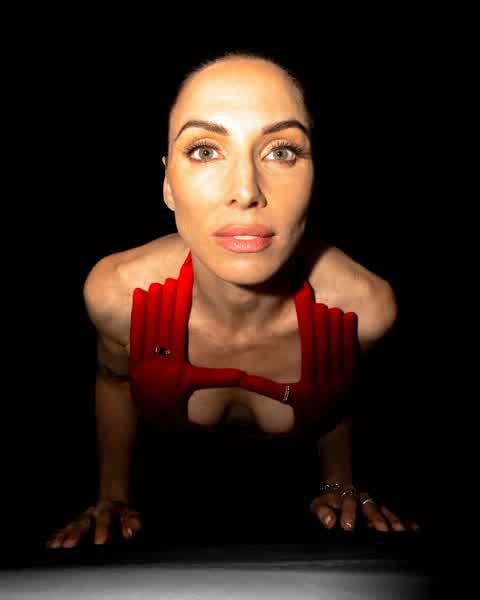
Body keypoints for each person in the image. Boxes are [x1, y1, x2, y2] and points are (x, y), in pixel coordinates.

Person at [46, 50, 418, 549]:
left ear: (316, 178)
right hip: (168, 522)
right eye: (205, 150)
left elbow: (340, 389)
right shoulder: (119, 294)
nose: (245, 191)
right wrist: (113, 496)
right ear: (167, 185)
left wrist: (340, 484)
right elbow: (113, 379)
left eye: (282, 152)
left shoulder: (364, 309)